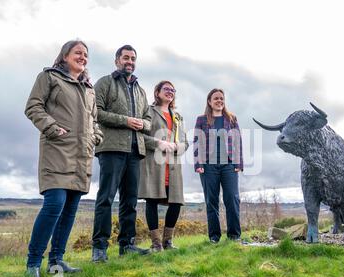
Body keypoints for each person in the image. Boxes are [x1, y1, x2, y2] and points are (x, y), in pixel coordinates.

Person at [24, 40, 103, 277]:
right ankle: (33, 264)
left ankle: (56, 260)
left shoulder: (89, 88)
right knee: (54, 204)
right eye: (78, 53)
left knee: (70, 209)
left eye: (86, 54)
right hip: (56, 150)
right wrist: (51, 127)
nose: (83, 57)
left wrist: (96, 136)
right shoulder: (49, 77)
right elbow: (33, 106)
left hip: (82, 155)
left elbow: (94, 119)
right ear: (65, 55)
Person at [92, 45, 152, 262]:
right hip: (111, 148)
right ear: (117, 60)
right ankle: (99, 249)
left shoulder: (140, 90)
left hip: (135, 151)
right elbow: (95, 112)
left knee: (130, 201)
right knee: (106, 198)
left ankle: (127, 244)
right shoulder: (105, 83)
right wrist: (125, 121)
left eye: (133, 58)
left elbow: (149, 121)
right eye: (126, 57)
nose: (130, 61)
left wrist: (141, 124)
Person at [138, 81, 189, 251]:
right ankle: (156, 243)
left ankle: (168, 242)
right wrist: (158, 143)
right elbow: (141, 137)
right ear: (157, 92)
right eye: (166, 89)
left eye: (173, 90)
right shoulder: (149, 112)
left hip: (173, 165)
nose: (170, 92)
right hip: (154, 163)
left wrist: (177, 147)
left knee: (176, 202)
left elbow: (185, 142)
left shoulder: (178, 116)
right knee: (151, 200)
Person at [193, 89, 243, 243]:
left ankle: (234, 236)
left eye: (221, 98)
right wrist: (198, 163)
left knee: (232, 199)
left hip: (229, 165)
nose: (219, 101)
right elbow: (197, 142)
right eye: (216, 98)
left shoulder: (231, 119)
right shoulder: (201, 120)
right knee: (211, 201)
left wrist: (239, 163)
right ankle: (214, 237)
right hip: (208, 166)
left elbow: (237, 141)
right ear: (209, 101)